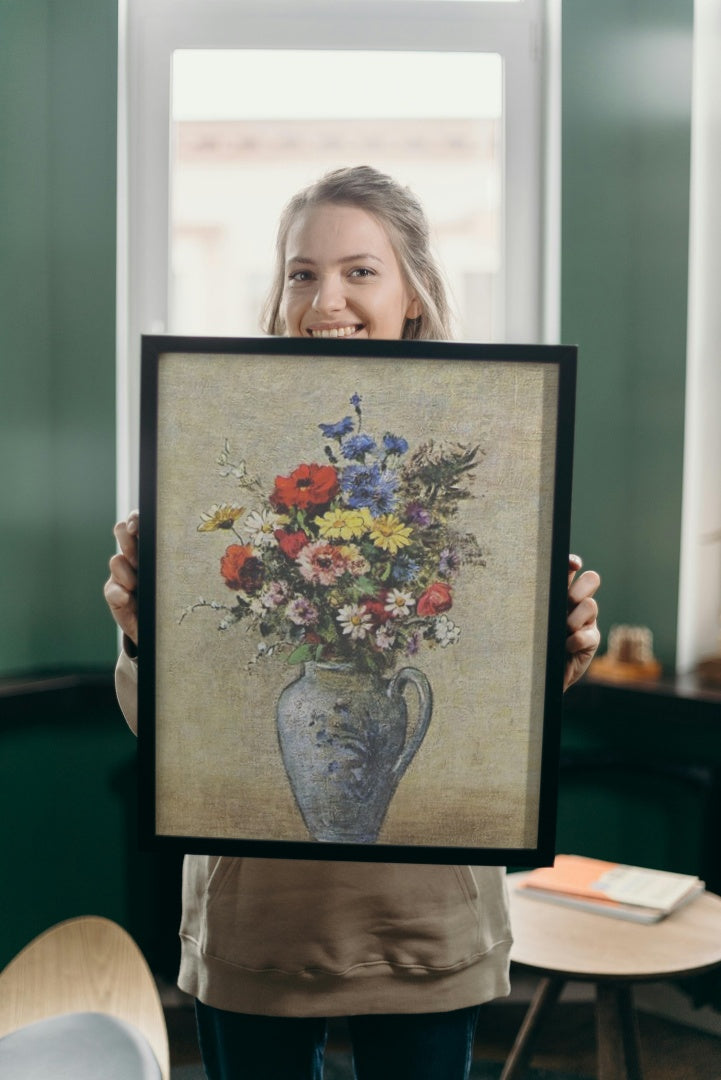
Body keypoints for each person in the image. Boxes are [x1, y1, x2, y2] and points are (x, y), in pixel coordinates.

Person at [105, 166, 601, 1080]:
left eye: (359, 271)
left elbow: (495, 715)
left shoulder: (492, 450)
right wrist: (143, 637)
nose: (324, 298)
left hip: (424, 920)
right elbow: (172, 733)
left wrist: (556, 651)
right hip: (257, 920)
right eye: (301, 272)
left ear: (413, 291)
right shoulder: (211, 446)